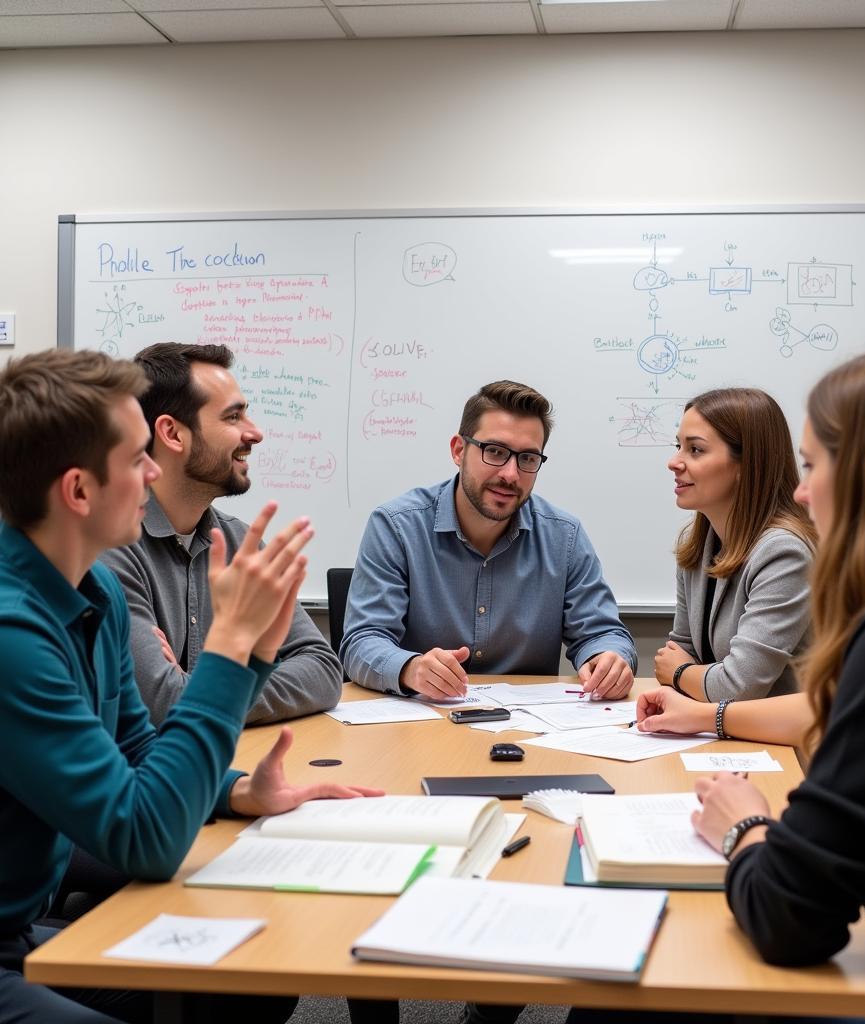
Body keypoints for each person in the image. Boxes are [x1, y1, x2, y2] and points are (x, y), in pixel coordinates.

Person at [583, 339, 865, 1024]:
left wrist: (744, 825)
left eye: (814, 465)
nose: (801, 490)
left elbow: (788, 918)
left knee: (658, 979)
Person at [0, 348, 381, 1024]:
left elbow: (142, 751)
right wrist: (232, 650)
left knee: (241, 985)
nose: (152, 474)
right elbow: (144, 837)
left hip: (20, 929)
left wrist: (236, 790)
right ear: (79, 492)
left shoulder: (96, 593)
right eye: (137, 459)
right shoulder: (12, 634)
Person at [342, 379, 637, 700]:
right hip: (422, 721)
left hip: (531, 729)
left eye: (527, 458)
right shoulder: (397, 527)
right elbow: (362, 641)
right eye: (495, 452)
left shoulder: (564, 536)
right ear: (458, 450)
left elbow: (604, 633)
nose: (511, 474)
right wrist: (410, 668)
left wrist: (608, 659)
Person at [100, 342, 342, 727]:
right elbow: (160, 704)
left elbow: (323, 672)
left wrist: (192, 688)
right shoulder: (110, 546)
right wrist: (202, 688)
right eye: (233, 418)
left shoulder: (239, 544)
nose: (255, 433)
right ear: (173, 434)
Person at [654, 388, 814, 710]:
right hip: (715, 733)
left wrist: (682, 672)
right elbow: (679, 650)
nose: (674, 462)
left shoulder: (784, 553)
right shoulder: (697, 544)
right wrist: (687, 671)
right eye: (678, 446)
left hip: (783, 752)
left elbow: (739, 686)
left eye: (695, 450)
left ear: (745, 464)